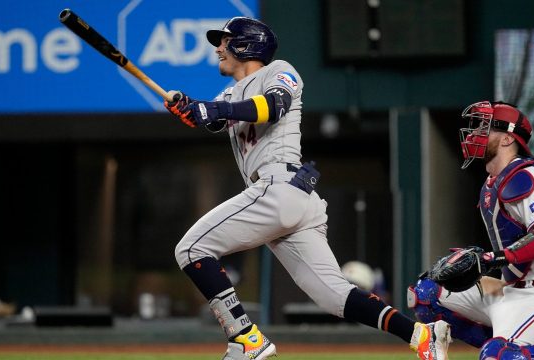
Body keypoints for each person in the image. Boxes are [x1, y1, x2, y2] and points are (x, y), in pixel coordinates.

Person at [163, 16, 451, 360]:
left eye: (224, 41)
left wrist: (212, 108)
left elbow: (271, 107)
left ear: (246, 44)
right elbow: (210, 116)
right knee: (334, 296)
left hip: (279, 187)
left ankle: (245, 338)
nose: (218, 48)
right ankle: (421, 335)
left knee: (191, 249)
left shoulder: (280, 70)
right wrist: (187, 105)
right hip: (289, 198)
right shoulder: (229, 93)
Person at [408, 101, 534, 359]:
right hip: (512, 287)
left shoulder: (527, 175)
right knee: (426, 292)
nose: (475, 134)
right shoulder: (491, 183)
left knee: (499, 354)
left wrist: (491, 259)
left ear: (507, 139)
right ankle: (502, 346)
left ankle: (503, 350)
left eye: (485, 127)